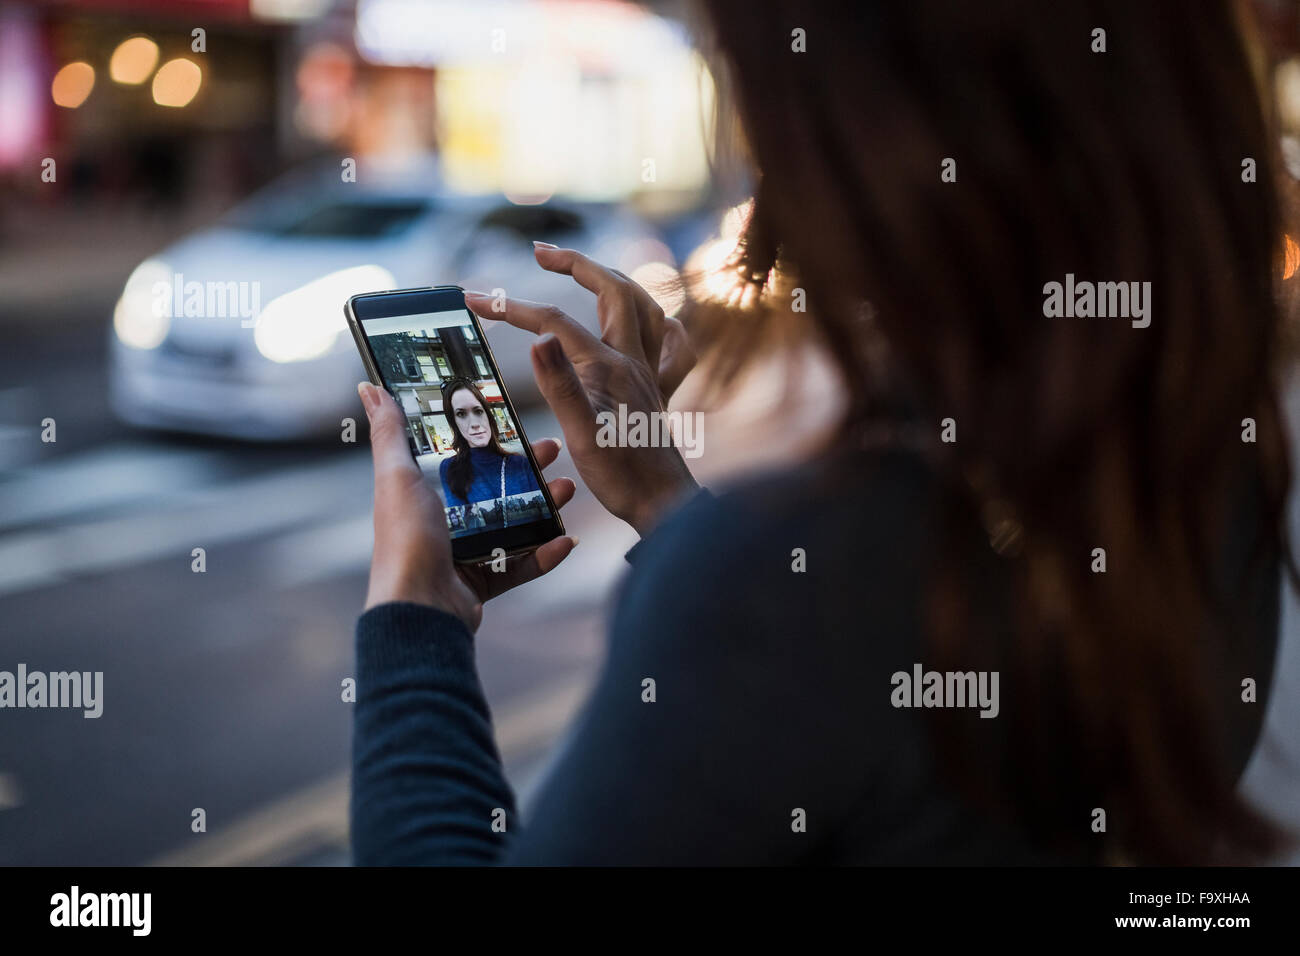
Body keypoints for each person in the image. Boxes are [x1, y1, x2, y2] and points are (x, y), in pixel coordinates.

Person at [349, 0, 1295, 864]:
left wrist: (415, 619)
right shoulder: (1219, 465)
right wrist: (668, 508)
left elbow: (822, 648)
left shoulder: (796, 578)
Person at [436, 377, 541, 528]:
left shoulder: (520, 463)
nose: (474, 424)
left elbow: (542, 516)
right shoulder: (449, 468)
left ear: (488, 415)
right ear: (454, 423)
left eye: (478, 411)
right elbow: (465, 528)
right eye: (461, 414)